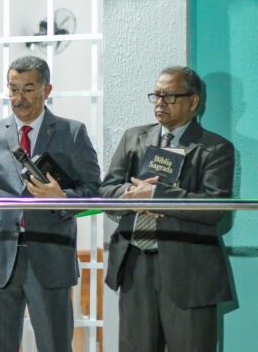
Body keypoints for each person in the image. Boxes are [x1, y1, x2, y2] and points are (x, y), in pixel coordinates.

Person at [0, 55, 101, 352]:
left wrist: (62, 197)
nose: (19, 98)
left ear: (46, 90)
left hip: (51, 256)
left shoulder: (72, 132)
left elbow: (93, 190)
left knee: (54, 344)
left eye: (28, 89)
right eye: (13, 89)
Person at [102, 66, 235, 351]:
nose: (160, 102)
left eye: (170, 96)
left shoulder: (216, 148)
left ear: (193, 102)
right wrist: (130, 194)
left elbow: (214, 208)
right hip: (135, 263)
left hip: (189, 271)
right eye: (156, 95)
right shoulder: (133, 138)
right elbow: (105, 190)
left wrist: (156, 195)